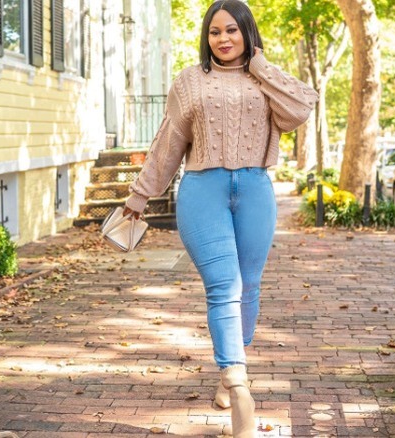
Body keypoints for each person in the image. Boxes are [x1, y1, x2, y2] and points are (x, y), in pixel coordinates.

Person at [122, 1, 318, 435]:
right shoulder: (190, 81)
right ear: (205, 37)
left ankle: (232, 368)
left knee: (248, 287)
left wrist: (261, 65)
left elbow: (301, 109)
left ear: (247, 33)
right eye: (215, 32)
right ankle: (239, 387)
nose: (223, 39)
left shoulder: (264, 79)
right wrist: (140, 194)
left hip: (255, 191)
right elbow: (169, 141)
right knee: (224, 286)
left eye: (232, 30)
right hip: (202, 191)